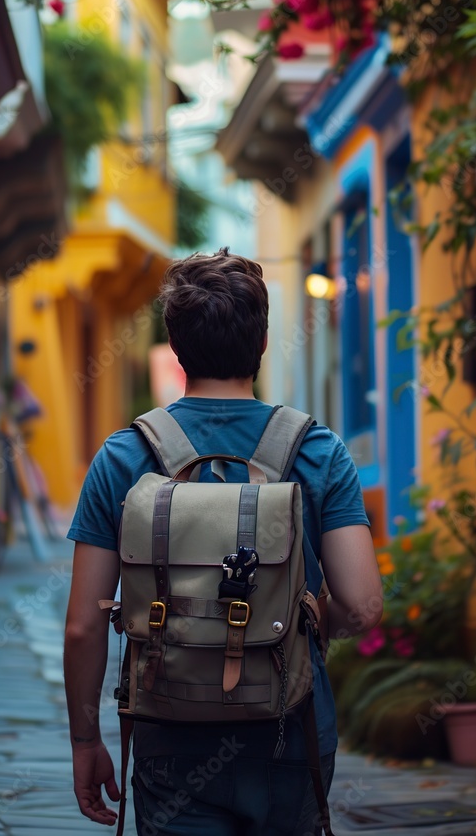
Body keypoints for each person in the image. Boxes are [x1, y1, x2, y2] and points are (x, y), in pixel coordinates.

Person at [64, 248, 383, 834]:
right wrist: (301, 624)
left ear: (175, 345)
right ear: (262, 342)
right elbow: (362, 606)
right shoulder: (318, 451)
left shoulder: (124, 455)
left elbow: (84, 625)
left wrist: (85, 741)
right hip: (291, 731)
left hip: (170, 734)